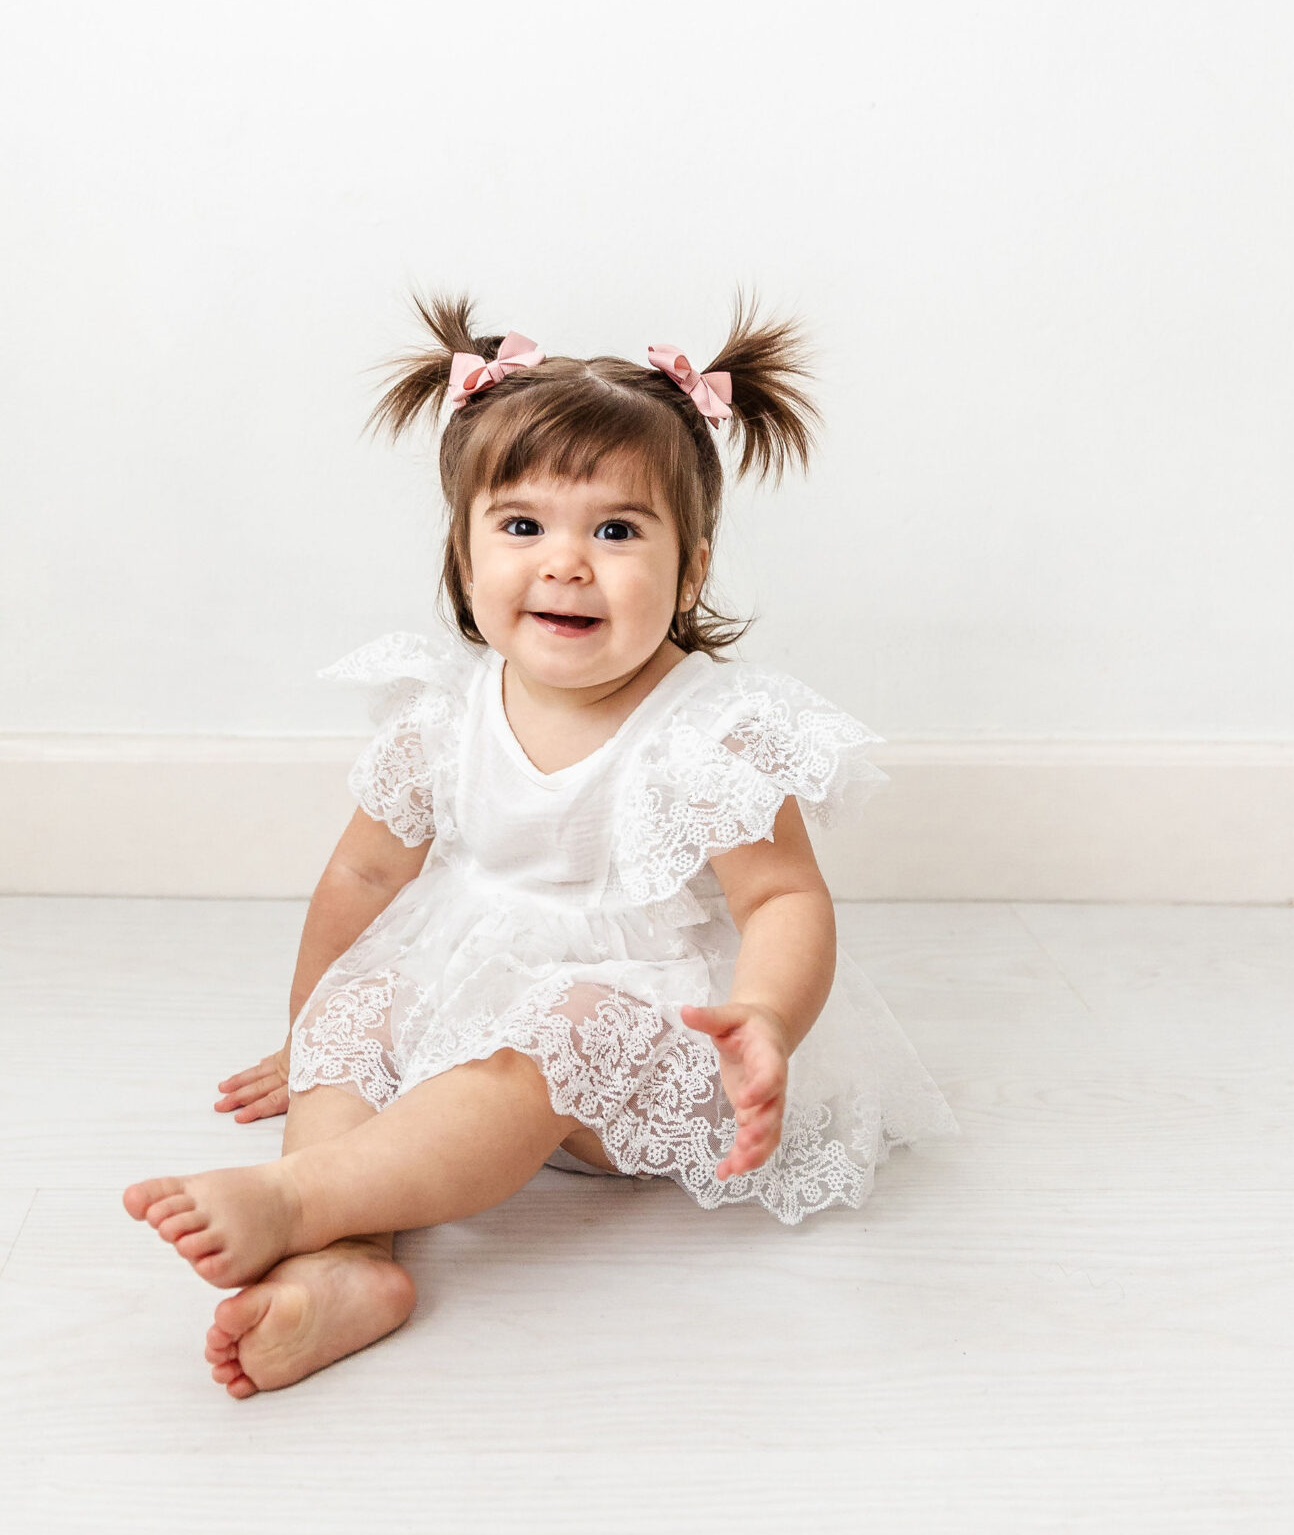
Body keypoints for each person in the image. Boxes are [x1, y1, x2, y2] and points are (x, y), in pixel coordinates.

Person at [125, 294, 956, 1396]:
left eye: (615, 531)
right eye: (523, 527)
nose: (566, 563)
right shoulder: (440, 714)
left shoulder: (710, 733)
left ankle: (301, 1201)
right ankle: (344, 1269)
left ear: (691, 568)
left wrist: (765, 1017)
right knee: (360, 1013)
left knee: (551, 1037)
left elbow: (783, 900)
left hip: (639, 1042)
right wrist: (313, 1031)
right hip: (462, 992)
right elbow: (365, 875)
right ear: (466, 557)